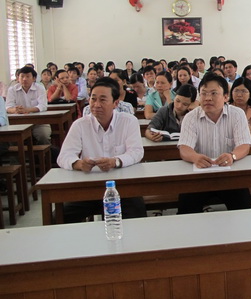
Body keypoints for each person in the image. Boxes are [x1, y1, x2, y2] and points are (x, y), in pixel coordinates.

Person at [56, 77, 146, 223]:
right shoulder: (80, 125)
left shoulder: (128, 121)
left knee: (137, 217)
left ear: (116, 103)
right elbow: (64, 156)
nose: (96, 105)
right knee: (59, 217)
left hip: (123, 187)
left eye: (103, 100)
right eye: (93, 99)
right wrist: (78, 164)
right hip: (89, 188)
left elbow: (136, 152)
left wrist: (115, 161)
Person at [177, 73, 251, 213]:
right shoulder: (190, 117)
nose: (207, 98)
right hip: (199, 176)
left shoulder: (237, 114)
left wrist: (232, 156)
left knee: (243, 210)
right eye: (203, 93)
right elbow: (184, 148)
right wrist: (195, 157)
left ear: (226, 97)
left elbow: (244, 145)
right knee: (185, 211)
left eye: (214, 93)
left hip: (230, 175)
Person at [6, 66, 51, 145]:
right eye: (22, 76)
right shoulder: (12, 90)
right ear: (18, 78)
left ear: (34, 78)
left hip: (39, 122)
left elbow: (43, 106)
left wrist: (27, 110)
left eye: (27, 76)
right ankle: (20, 157)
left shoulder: (40, 88)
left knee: (43, 136)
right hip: (18, 122)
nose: (24, 79)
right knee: (12, 138)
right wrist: (15, 110)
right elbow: (8, 107)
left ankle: (45, 156)